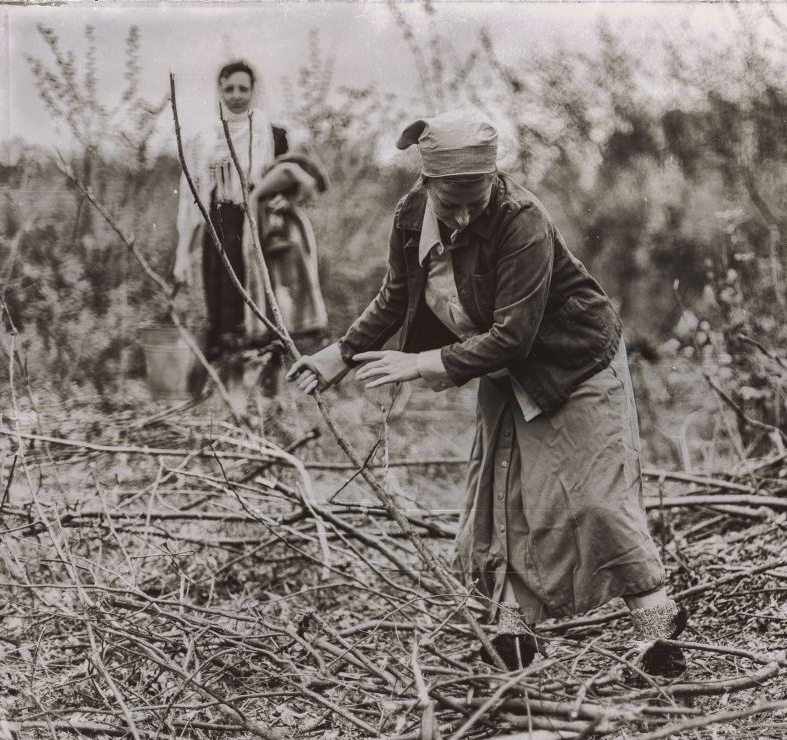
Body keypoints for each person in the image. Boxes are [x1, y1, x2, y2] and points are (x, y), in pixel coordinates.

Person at [288, 107, 688, 675]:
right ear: (427, 184)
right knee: (506, 497)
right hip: (500, 367)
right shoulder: (409, 217)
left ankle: (657, 625)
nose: (467, 209)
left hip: (574, 363)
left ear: (493, 178)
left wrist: (421, 363)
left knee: (595, 497)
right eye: (452, 199)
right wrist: (340, 354)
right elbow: (397, 297)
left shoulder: (521, 217)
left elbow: (515, 336)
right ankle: (514, 634)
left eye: (477, 194)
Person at [173, 59, 329, 390]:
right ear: (220, 90)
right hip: (221, 228)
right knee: (224, 308)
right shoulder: (205, 138)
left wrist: (286, 200)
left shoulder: (274, 135)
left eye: (243, 88)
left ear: (254, 90)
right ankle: (230, 391)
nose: (236, 96)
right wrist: (183, 252)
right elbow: (192, 197)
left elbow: (302, 178)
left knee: (265, 308)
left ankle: (268, 391)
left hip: (262, 230)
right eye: (229, 88)